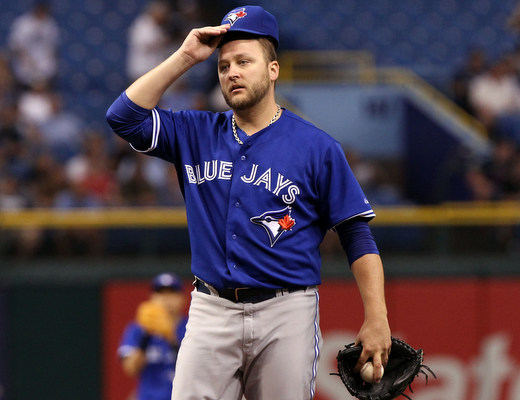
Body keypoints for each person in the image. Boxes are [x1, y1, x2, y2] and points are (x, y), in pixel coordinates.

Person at [106, 6, 391, 399]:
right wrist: (186, 56)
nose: (232, 73)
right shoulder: (196, 132)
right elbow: (124, 117)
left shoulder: (317, 147)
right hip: (211, 310)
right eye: (224, 66)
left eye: (244, 61)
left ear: (273, 69)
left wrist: (377, 317)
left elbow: (357, 235)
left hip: (286, 311)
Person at [118, 273, 188, 400]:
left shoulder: (191, 328)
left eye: (172, 292)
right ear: (152, 297)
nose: (166, 298)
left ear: (182, 298)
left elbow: (194, 370)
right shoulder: (138, 329)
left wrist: (171, 339)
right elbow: (131, 368)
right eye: (160, 293)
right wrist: (146, 335)